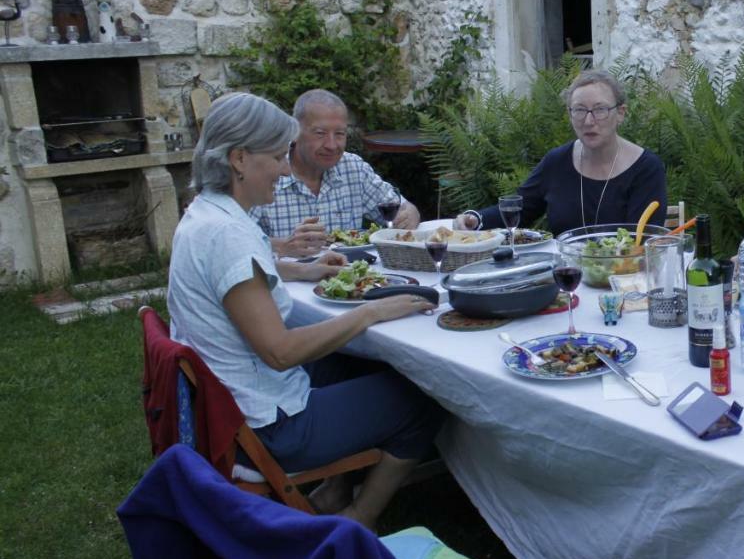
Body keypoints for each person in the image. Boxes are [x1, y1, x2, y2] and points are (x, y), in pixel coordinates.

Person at [168, 92, 442, 531]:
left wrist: (302, 270)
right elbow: (279, 352)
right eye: (277, 156)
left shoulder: (208, 215)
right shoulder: (227, 235)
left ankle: (333, 490)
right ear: (239, 159)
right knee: (425, 394)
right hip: (266, 423)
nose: (282, 167)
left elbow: (237, 273)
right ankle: (359, 519)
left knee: (350, 361)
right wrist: (367, 314)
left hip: (235, 396)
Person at [454, 71, 667, 236]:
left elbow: (644, 241)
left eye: (600, 110)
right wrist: (476, 218)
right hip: (565, 278)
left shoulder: (646, 168)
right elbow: (521, 208)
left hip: (626, 282)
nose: (589, 121)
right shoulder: (556, 162)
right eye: (580, 110)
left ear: (620, 113)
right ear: (570, 114)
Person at [255, 89, 421, 258]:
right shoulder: (265, 173)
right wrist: (282, 246)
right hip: (285, 281)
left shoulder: (353, 167)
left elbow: (399, 208)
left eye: (340, 134)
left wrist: (410, 213)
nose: (332, 145)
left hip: (352, 280)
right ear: (295, 132)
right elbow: (236, 241)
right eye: (320, 133)